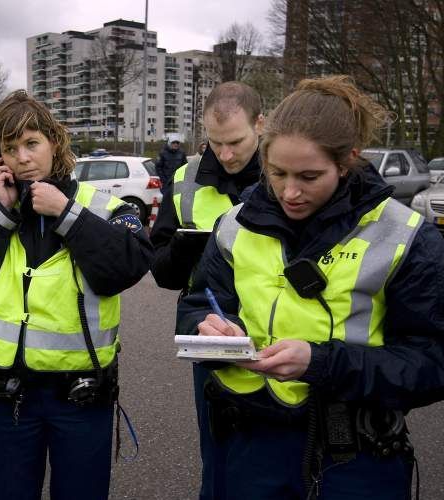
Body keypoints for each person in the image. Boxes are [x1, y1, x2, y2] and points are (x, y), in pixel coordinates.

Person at [177, 75, 444, 499]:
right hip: (250, 450)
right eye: (277, 172)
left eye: (309, 176)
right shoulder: (234, 224)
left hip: (354, 460)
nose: (290, 192)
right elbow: (196, 304)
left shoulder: (407, 236)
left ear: (348, 160)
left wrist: (322, 363)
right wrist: (212, 329)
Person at [0, 89, 152, 500]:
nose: (23, 158)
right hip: (8, 395)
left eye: (32, 144)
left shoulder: (101, 206)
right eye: (10, 148)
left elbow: (127, 267)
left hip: (80, 395)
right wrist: (0, 211)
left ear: (55, 143)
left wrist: (66, 213)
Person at [150, 81, 263, 500]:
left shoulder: (287, 171)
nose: (226, 155)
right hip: (212, 329)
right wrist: (186, 245)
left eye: (236, 142)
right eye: (215, 143)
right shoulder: (184, 178)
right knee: (218, 458)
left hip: (281, 329)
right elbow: (161, 271)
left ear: (261, 125)